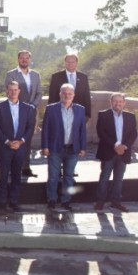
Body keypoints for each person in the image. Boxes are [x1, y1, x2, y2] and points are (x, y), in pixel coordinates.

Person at [41, 83, 87, 211]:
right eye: (64, 93)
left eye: (69, 94)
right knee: (53, 176)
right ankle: (51, 199)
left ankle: (66, 200)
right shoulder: (51, 109)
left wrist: (83, 147)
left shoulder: (80, 109)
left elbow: (82, 130)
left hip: (73, 149)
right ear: (60, 94)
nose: (67, 96)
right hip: (55, 148)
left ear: (74, 95)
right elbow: (45, 129)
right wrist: (45, 146)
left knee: (69, 176)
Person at [0, 82, 35, 213]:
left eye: (15, 90)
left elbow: (30, 127)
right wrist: (7, 141)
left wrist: (21, 141)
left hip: (20, 147)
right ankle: (2, 202)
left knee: (17, 175)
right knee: (3, 175)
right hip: (4, 147)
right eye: (11, 90)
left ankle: (14, 202)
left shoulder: (28, 108)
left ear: (19, 91)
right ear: (7, 91)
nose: (13, 92)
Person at [95, 93, 137, 213]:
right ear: (110, 102)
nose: (117, 103)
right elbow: (101, 132)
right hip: (108, 151)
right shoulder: (103, 115)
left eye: (120, 101)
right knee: (104, 177)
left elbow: (133, 134)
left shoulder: (130, 116)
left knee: (119, 178)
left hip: (123, 152)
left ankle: (116, 202)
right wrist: (115, 145)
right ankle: (100, 201)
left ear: (124, 103)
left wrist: (125, 146)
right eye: (115, 101)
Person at [4, 50, 43, 178]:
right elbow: (10, 93)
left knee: (27, 141)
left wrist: (32, 106)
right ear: (18, 59)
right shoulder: (11, 74)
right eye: (22, 58)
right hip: (15, 112)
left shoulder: (36, 75)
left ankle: (26, 168)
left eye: (27, 58)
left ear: (30, 60)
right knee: (14, 140)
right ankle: (12, 169)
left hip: (31, 113)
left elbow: (39, 93)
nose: (24, 60)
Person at [48, 53, 92, 120]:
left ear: (76, 63)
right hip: (60, 113)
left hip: (79, 113)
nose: (70, 64)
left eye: (73, 62)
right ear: (65, 62)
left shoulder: (83, 77)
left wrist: (87, 115)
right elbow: (52, 97)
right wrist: (52, 114)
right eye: (68, 61)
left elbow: (86, 96)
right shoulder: (56, 77)